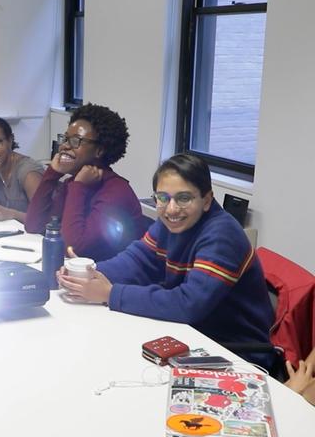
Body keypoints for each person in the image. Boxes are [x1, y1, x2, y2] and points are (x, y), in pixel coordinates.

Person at [58, 154, 276, 373]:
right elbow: (137, 261)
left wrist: (110, 294)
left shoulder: (222, 235)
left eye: (184, 198)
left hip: (235, 352)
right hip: (191, 334)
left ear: (207, 200)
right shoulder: (172, 223)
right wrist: (87, 275)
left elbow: (188, 305)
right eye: (163, 197)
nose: (171, 209)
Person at [25, 103, 146, 262]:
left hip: (111, 282)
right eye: (65, 138)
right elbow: (34, 226)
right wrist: (52, 174)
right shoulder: (72, 183)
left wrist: (79, 187)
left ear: (99, 150)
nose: (64, 146)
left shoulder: (117, 192)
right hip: (81, 276)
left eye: (76, 141)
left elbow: (74, 249)